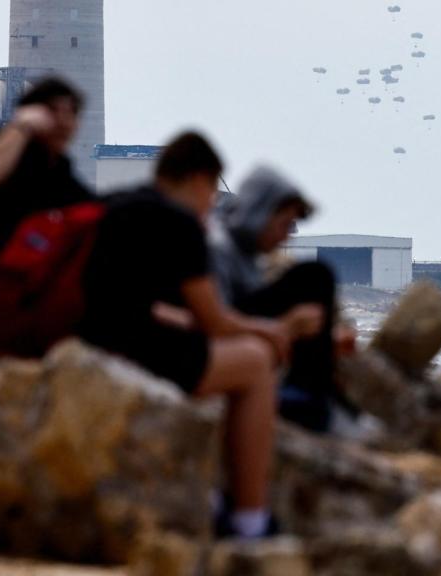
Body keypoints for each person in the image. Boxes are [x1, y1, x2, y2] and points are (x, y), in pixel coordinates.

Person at [78, 132, 324, 539]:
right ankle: (250, 518)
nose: (213, 202)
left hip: (93, 340)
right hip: (137, 350)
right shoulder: (181, 224)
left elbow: (135, 299)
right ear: (198, 180)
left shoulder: (116, 204)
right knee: (254, 361)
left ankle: (209, 491)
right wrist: (274, 330)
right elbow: (216, 321)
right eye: (212, 190)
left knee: (216, 355)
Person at [210, 167, 347, 433]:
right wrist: (284, 327)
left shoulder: (244, 254)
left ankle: (314, 394)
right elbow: (215, 321)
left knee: (313, 279)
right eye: (284, 224)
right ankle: (307, 398)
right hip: (222, 342)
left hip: (240, 330)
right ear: (259, 214)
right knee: (314, 277)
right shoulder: (217, 248)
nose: (286, 236)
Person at [0, 77, 93, 261]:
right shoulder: (10, 157)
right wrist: (22, 125)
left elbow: (92, 209)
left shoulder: (59, 168)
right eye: (53, 111)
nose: (64, 122)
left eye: (72, 113)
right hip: (13, 272)